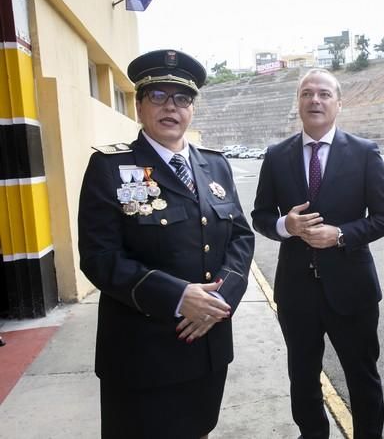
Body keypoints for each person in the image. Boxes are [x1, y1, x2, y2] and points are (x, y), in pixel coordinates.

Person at [78, 49, 255, 439]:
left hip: (207, 343)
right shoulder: (110, 167)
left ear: (192, 108)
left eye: (181, 98)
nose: (170, 107)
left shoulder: (215, 164)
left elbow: (240, 237)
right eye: (157, 96)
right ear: (139, 105)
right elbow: (98, 257)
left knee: (199, 430)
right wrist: (177, 296)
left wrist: (218, 301)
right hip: (143, 354)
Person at [252, 68, 384, 439]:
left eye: (323, 94)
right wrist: (287, 226)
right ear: (298, 102)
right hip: (296, 291)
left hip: (352, 289)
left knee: (361, 376)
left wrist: (342, 234)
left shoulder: (364, 153)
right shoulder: (276, 155)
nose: (314, 100)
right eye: (306, 93)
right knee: (302, 376)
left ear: (337, 102)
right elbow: (260, 216)